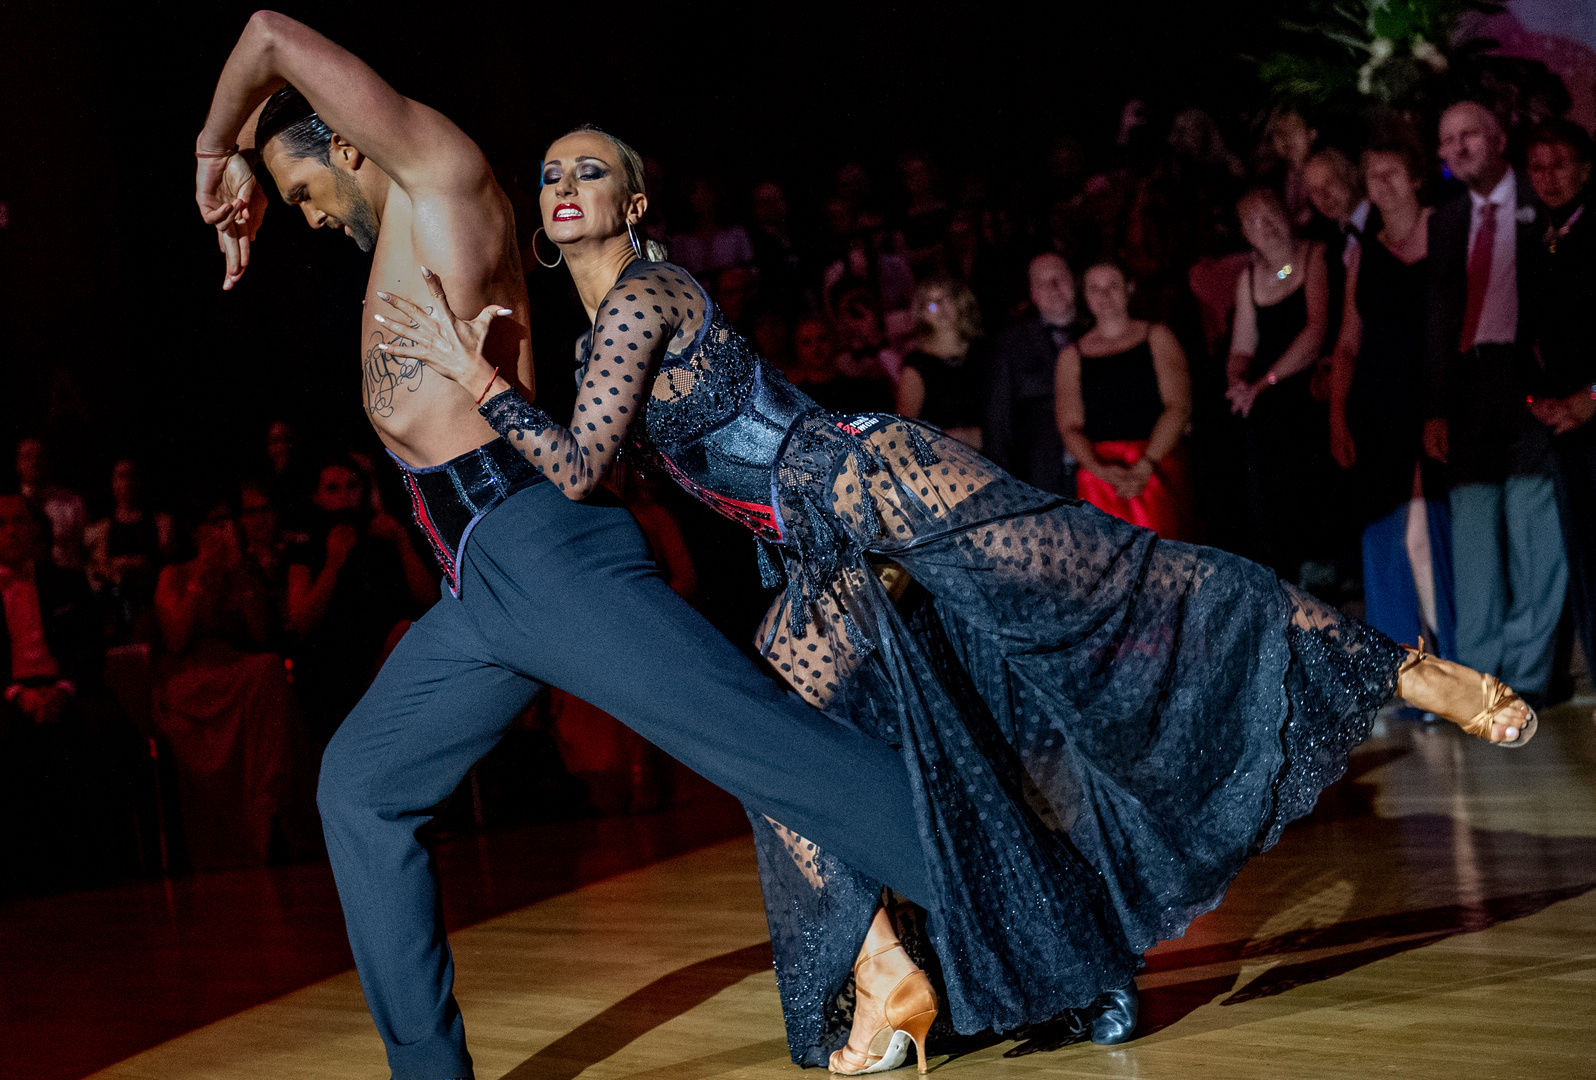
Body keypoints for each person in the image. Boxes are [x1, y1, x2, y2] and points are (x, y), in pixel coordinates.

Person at [383, 124, 1536, 1074]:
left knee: (1126, 584)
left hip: (873, 480)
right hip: (810, 565)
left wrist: (475, 377)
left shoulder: (642, 297)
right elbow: (614, 464)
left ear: (635, 203)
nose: (567, 183)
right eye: (552, 175)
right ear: (538, 226)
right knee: (768, 753)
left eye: (593, 169)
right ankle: (891, 973)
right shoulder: (596, 352)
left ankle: (1402, 668)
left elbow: (578, 468)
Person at [195, 17, 955, 1078]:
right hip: (481, 588)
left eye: (304, 194)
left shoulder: (445, 184)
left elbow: (268, 33)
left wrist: (214, 150)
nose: (308, 220)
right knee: (359, 788)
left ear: (352, 147)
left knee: (759, 742)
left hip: (541, 544)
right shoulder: (389, 246)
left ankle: (1038, 910)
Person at [1423, 101, 1566, 705]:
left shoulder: (1541, 202)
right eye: (1446, 139)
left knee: (1536, 530)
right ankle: (1483, 680)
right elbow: (1436, 319)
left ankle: (1530, 675)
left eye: (1469, 135)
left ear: (1500, 138)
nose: (1456, 148)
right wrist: (1433, 406)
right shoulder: (1447, 219)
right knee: (1475, 540)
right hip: (1467, 387)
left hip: (1528, 376)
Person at [1328, 136, 1456, 655]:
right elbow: (1346, 345)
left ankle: (1447, 662)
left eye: (1392, 172)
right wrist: (1337, 417)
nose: (1381, 184)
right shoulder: (1363, 255)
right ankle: (1406, 668)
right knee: (1387, 542)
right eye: (1372, 176)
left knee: (1424, 538)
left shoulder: (1447, 230)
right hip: (1377, 409)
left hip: (1432, 401)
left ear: (1416, 177)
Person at [152, 490, 308, 869]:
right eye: (216, 523)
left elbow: (259, 635)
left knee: (269, 669)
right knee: (256, 677)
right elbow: (177, 639)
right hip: (190, 677)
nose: (226, 530)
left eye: (228, 522)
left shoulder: (244, 570)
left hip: (236, 669)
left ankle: (268, 811)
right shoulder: (173, 575)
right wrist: (203, 575)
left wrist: (239, 576)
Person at [0, 491, 144, 892]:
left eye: (18, 522)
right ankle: (23, 873)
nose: (10, 531)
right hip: (10, 693)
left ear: (34, 529)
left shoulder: (65, 581)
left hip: (68, 684)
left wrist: (63, 690)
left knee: (112, 731)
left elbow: (90, 648)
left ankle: (112, 862)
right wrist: (19, 695)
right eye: (1, 524)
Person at [285, 455, 437, 744]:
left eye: (352, 486)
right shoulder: (306, 553)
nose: (344, 496)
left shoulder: (385, 538)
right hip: (332, 665)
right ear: (316, 497)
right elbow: (300, 624)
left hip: (390, 655)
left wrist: (403, 542)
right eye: (333, 489)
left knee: (409, 633)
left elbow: (430, 601)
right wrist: (333, 564)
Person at [1226, 187, 1333, 583]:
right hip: (1263, 390)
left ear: (1286, 215)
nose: (1265, 227)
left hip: (1305, 383)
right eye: (1253, 222)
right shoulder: (1250, 278)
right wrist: (1238, 382)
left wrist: (1264, 381)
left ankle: (1320, 557)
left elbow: (1316, 329)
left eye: (1269, 215)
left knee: (1287, 413)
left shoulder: (1314, 257)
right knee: (1247, 420)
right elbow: (1241, 345)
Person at [1522, 120, 1596, 681]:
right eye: (1538, 167)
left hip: (1592, 408)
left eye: (1561, 164)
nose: (1548, 177)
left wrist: (1591, 397)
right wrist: (1542, 399)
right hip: (1566, 422)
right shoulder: (1543, 237)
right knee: (1585, 552)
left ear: (1586, 167)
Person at [1055, 263, 1196, 539]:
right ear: (1084, 295)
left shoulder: (1157, 336)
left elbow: (1178, 407)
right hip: (1100, 475)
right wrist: (1099, 470)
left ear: (1129, 288)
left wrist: (1146, 465)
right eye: (1095, 288)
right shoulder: (1072, 356)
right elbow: (1069, 425)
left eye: (1113, 286)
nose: (1104, 295)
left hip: (1157, 465)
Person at [984, 253, 1083, 497]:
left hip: (1099, 475)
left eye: (1060, 277)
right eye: (1042, 282)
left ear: (1074, 281)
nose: (1053, 287)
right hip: (1040, 482)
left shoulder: (1098, 332)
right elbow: (997, 423)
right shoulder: (1010, 344)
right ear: (1032, 294)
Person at [84, 458, 173, 644]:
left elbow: (169, 564)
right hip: (118, 612)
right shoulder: (101, 530)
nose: (127, 483)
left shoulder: (162, 523)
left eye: (133, 476)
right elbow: (100, 569)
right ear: (113, 483)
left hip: (157, 607)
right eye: (122, 476)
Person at [896, 278, 986, 450]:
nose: (941, 308)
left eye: (947, 299)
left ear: (960, 302)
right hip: (944, 463)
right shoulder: (916, 366)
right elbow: (903, 433)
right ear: (922, 313)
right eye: (932, 303)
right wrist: (957, 436)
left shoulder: (984, 354)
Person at [15, 437, 88, 572]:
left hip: (63, 578)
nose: (34, 462)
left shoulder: (72, 503)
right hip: (18, 584)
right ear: (17, 464)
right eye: (27, 457)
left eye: (39, 457)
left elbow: (82, 547)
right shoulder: (8, 506)